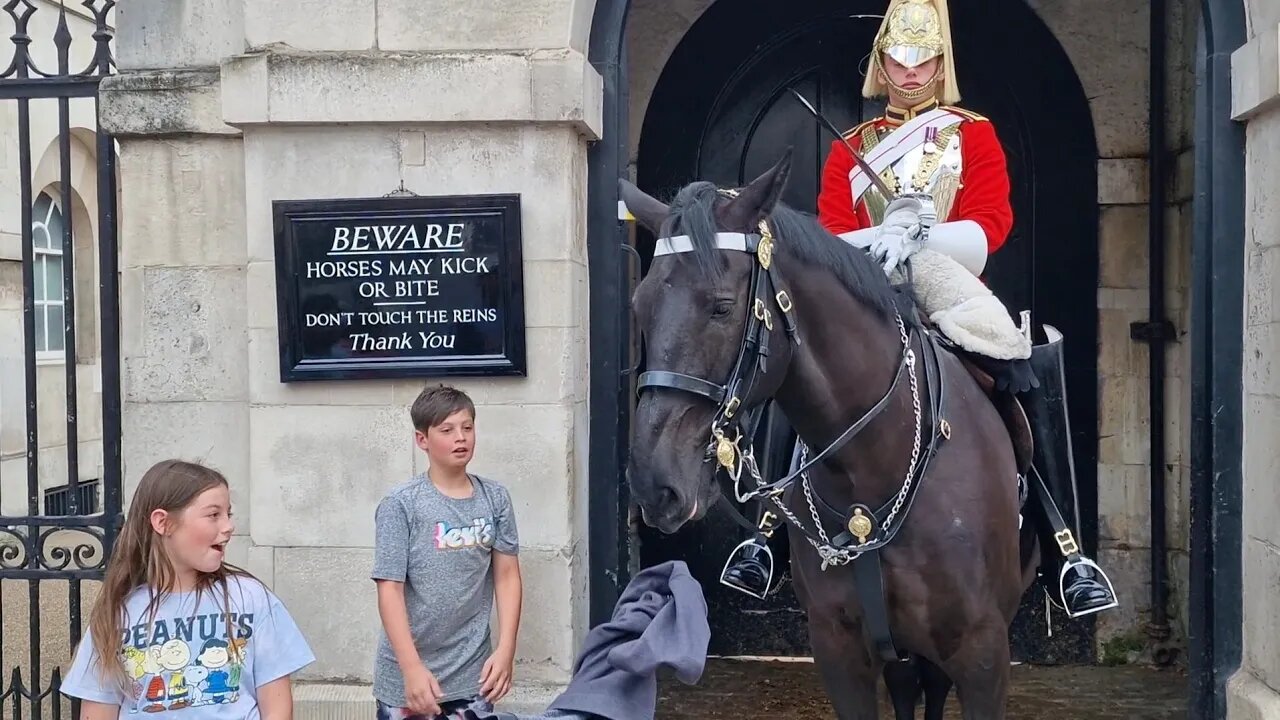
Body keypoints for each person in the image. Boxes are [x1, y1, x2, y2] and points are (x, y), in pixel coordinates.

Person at [723, 0, 1119, 620]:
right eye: (898, 60)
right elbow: (829, 234)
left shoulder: (974, 134)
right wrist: (876, 244)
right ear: (881, 63)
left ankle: (1066, 549)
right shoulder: (851, 148)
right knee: (793, 358)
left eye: (922, 60)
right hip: (866, 284)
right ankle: (765, 536)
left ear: (940, 64)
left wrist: (924, 236)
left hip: (948, 277)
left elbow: (993, 222)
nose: (910, 73)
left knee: (1017, 359)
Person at [61, 459, 315, 719]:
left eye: (229, 514)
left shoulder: (251, 598)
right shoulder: (115, 614)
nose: (228, 526)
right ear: (163, 523)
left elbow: (277, 707)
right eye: (214, 515)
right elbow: (98, 711)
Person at [372, 384, 523, 720]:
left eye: (467, 427)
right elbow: (389, 590)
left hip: (473, 674)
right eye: (447, 430)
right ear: (422, 440)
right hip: (409, 678)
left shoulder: (495, 498)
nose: (461, 438)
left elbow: (508, 575)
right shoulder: (401, 505)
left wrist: (506, 648)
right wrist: (411, 668)